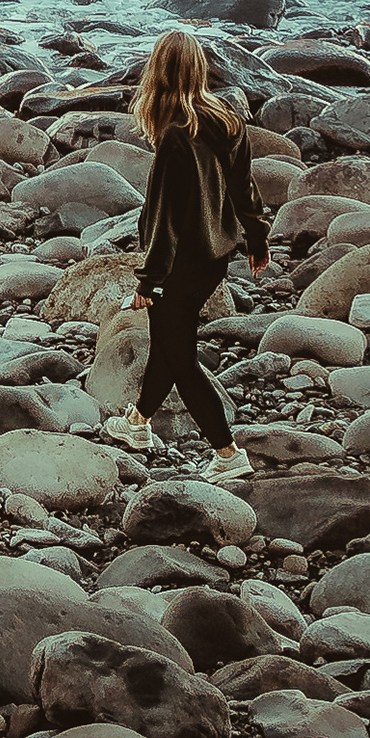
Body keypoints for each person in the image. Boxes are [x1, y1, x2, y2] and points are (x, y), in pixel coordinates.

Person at [118, 26, 267, 471]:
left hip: (180, 265)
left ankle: (227, 454)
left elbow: (165, 218)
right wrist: (257, 239)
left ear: (156, 74)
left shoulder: (175, 137)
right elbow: (246, 187)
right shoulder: (227, 118)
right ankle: (138, 421)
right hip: (214, 258)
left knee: (180, 358)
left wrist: (150, 279)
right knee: (169, 343)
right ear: (199, 70)